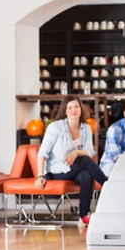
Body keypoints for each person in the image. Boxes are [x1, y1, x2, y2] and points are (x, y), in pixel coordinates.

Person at [35, 95, 108, 226]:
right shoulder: (55, 128)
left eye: (76, 106)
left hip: (75, 168)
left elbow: (90, 150)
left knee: (86, 175)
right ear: (65, 110)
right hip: (56, 170)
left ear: (80, 109)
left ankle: (83, 216)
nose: (73, 110)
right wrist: (39, 176)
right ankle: (109, 187)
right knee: (84, 160)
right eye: (69, 107)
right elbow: (42, 153)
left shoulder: (85, 127)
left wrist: (76, 152)